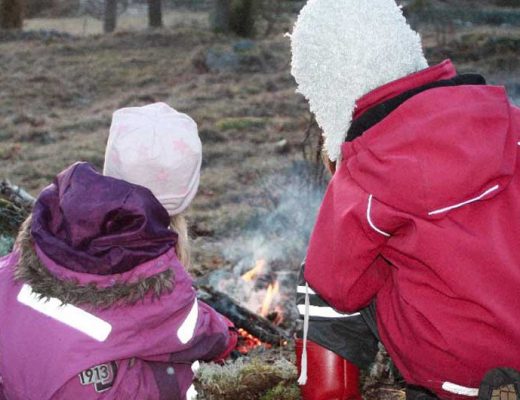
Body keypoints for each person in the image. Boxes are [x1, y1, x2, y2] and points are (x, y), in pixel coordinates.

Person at [289, 1, 520, 399]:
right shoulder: (509, 121)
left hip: (463, 381)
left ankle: (327, 390)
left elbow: (338, 287)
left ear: (325, 88)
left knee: (326, 279)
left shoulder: (366, 173)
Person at [0, 103, 237, 400]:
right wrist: (229, 333)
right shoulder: (160, 280)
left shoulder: (48, 221)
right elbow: (202, 335)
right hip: (78, 390)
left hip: (12, 374)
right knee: (179, 372)